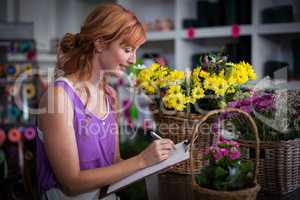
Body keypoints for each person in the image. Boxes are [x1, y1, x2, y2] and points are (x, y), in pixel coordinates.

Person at [36, 3, 175, 200]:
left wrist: (155, 163)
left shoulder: (109, 96)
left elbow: (115, 162)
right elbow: (71, 183)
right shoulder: (58, 97)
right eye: (127, 49)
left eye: (135, 50)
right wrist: (142, 160)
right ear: (100, 44)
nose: (133, 60)